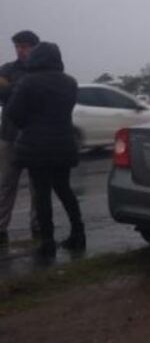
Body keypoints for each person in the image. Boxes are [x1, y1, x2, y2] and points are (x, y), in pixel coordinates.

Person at [4, 42, 85, 253]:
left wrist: (28, 125)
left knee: (42, 194)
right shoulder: (70, 82)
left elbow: (13, 113)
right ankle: (78, 233)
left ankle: (47, 241)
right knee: (64, 189)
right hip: (64, 143)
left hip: (36, 146)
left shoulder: (28, 82)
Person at [0, 30, 40, 247]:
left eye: (25, 46)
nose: (20, 50)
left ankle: (38, 225)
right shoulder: (7, 68)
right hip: (9, 136)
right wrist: (24, 87)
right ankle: (1, 226)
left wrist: (12, 88)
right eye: (17, 46)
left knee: (37, 186)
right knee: (7, 185)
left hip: (34, 137)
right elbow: (1, 93)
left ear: (35, 47)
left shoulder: (42, 70)